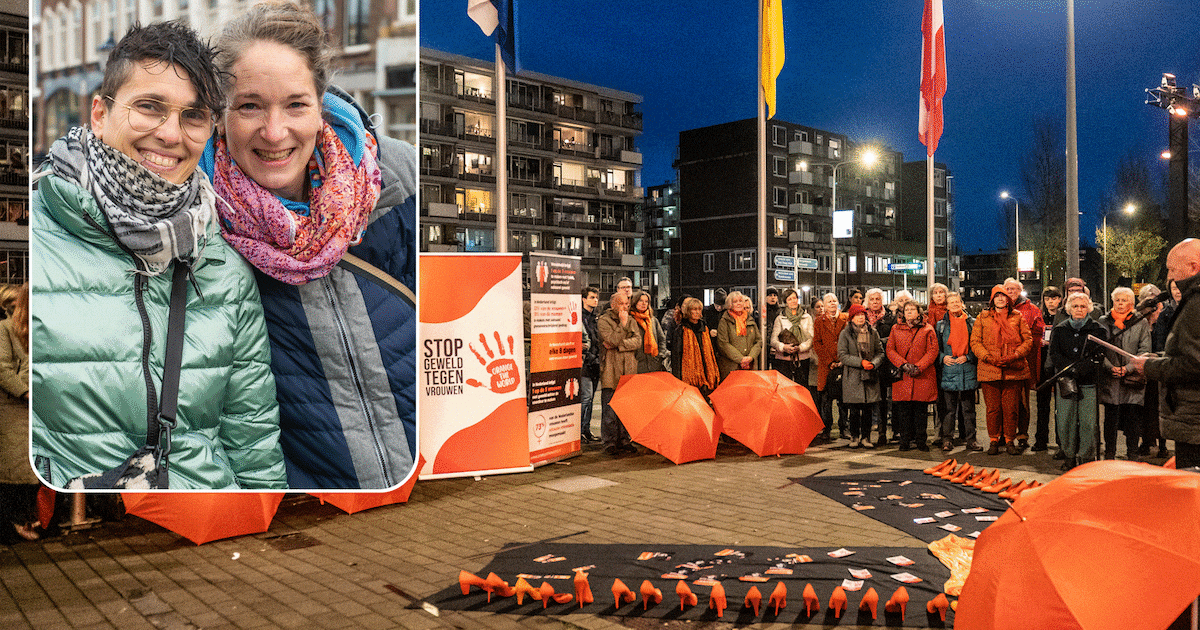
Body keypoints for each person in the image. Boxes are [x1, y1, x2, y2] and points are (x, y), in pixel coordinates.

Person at [31, 22, 287, 489]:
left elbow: (253, 442)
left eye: (193, 116)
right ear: (100, 114)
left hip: (206, 511)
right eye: (149, 107)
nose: (171, 134)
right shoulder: (36, 237)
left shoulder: (224, 265)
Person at [203, 3, 416, 489]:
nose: (274, 132)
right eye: (249, 106)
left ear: (321, 105)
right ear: (219, 115)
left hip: (431, 489)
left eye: (296, 105)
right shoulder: (197, 225)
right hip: (312, 509)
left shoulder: (399, 181)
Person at [1127, 240, 1200, 469]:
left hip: (1194, 421)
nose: (1169, 277)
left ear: (1193, 267)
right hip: (1191, 419)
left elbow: (1193, 364)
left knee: (1190, 486)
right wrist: (1160, 358)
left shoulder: (1196, 303)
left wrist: (1149, 367)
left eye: (1172, 269)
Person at [970, 285, 1032, 455]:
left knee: (1011, 409)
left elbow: (1028, 340)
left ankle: (1010, 440)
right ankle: (994, 440)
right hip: (989, 369)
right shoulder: (982, 317)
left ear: (1008, 299)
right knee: (993, 409)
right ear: (992, 300)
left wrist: (1015, 355)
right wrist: (988, 357)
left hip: (1013, 370)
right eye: (997, 296)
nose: (1000, 299)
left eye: (1003, 296)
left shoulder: (1017, 317)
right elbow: (975, 342)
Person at [1049, 292, 1108, 469]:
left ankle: (1086, 458)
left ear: (1088, 308)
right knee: (1065, 421)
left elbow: (1100, 354)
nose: (1079, 309)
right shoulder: (1060, 329)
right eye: (1075, 306)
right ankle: (1069, 456)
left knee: (1088, 423)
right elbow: (1054, 354)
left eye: (1083, 306)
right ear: (1069, 309)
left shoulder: (1098, 330)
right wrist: (1070, 369)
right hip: (1066, 382)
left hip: (1089, 382)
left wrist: (1082, 369)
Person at [0, 284, 37, 541]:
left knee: (34, 469)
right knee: (16, 469)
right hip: (15, 407)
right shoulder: (4, 329)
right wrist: (25, 392)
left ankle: (26, 518)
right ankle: (13, 522)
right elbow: (1, 368)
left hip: (37, 407)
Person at [1098, 286, 1152, 460]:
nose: (1120, 304)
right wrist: (1110, 367)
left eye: (1124, 300)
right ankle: (1110, 453)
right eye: (1117, 300)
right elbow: (1099, 349)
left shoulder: (1140, 322)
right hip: (1111, 378)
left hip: (1133, 379)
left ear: (1132, 303)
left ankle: (1132, 453)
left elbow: (1145, 349)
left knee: (1133, 418)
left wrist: (1128, 368)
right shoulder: (1103, 321)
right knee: (1110, 419)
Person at [888, 301, 939, 451]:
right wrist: (903, 364)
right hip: (904, 376)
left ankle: (921, 441)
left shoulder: (928, 329)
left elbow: (933, 351)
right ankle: (904, 441)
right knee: (903, 411)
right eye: (907, 310)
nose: (909, 312)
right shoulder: (895, 329)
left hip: (922, 375)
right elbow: (890, 349)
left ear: (919, 312)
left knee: (921, 411)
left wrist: (919, 367)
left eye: (912, 309)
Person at [935, 292, 982, 452]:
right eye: (951, 302)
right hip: (949, 371)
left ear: (962, 303)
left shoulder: (972, 323)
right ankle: (947, 440)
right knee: (948, 410)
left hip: (967, 370)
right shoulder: (941, 326)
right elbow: (936, 348)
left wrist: (968, 357)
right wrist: (943, 358)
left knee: (969, 410)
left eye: (957, 301)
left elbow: (977, 345)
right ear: (947, 306)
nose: (955, 304)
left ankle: (971, 440)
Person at [598, 292, 639, 456]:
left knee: (626, 407)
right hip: (611, 369)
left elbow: (637, 341)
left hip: (628, 368)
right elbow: (610, 339)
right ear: (613, 304)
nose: (625, 307)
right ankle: (609, 441)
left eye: (627, 304)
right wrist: (622, 325)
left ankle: (624, 439)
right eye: (622, 303)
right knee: (610, 408)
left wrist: (620, 345)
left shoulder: (632, 320)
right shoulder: (604, 320)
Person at [1005, 277, 1044, 450]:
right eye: (1007, 289)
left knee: (1022, 402)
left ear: (1020, 291)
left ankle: (1022, 435)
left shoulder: (1032, 310)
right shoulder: (998, 309)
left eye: (1013, 289)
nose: (1010, 292)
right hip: (1002, 363)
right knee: (1004, 403)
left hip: (1023, 363)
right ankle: (1004, 435)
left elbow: (1038, 336)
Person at [837, 304, 884, 448]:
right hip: (853, 376)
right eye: (857, 315)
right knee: (854, 410)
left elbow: (880, 352)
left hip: (870, 375)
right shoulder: (845, 333)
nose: (860, 318)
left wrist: (874, 363)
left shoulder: (872, 332)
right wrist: (860, 362)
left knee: (868, 409)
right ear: (851, 318)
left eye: (862, 315)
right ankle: (854, 437)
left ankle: (866, 437)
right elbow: (843, 355)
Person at [813, 293, 848, 441]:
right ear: (824, 305)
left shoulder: (845, 319)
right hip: (826, 366)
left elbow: (849, 340)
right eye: (829, 302)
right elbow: (817, 343)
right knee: (826, 399)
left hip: (843, 363)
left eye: (834, 301)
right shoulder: (819, 321)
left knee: (843, 399)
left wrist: (842, 359)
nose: (832, 303)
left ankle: (844, 428)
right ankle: (826, 429)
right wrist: (829, 361)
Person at [1137, 284, 1167, 458]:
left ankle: (1162, 444)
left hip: (1159, 369)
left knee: (1159, 408)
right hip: (1144, 371)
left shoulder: (1165, 319)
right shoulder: (1140, 321)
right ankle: (1146, 442)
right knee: (1145, 410)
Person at [670, 296, 720, 397]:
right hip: (688, 375)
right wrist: (678, 379)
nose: (697, 312)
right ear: (688, 311)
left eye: (699, 309)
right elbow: (676, 356)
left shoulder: (704, 328)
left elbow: (711, 352)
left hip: (706, 373)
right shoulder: (681, 330)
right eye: (694, 309)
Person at [1038, 286, 1066, 453]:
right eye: (1047, 299)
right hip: (1043, 362)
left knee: (1060, 405)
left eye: (1054, 298)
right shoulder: (1040, 316)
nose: (1051, 302)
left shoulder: (1064, 316)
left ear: (1060, 300)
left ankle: (1061, 442)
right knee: (1042, 404)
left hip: (1059, 362)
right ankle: (1041, 440)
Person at [769, 288, 814, 384]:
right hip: (783, 359)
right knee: (784, 387)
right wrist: (783, 347)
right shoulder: (780, 318)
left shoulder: (807, 317)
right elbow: (773, 340)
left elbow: (811, 338)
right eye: (789, 299)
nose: (793, 301)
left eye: (795, 298)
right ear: (785, 302)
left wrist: (800, 348)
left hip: (802, 358)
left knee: (801, 386)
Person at [716, 291, 761, 381]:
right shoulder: (724, 321)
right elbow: (723, 344)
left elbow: (758, 341)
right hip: (732, 366)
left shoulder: (750, 319)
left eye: (740, 301)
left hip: (750, 366)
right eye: (735, 301)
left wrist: (751, 357)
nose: (739, 303)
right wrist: (741, 359)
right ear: (730, 304)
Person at [579, 285, 601, 443]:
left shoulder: (595, 318)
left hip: (595, 362)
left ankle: (586, 430)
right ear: (583, 299)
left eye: (596, 297)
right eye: (592, 297)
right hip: (585, 362)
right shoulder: (580, 317)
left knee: (591, 398)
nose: (595, 300)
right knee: (586, 397)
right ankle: (579, 431)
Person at [630, 290, 668, 373]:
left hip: (654, 364)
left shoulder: (653, 320)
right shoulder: (630, 320)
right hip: (637, 365)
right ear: (635, 302)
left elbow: (662, 339)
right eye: (641, 301)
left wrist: (661, 355)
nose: (644, 303)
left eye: (646, 301)